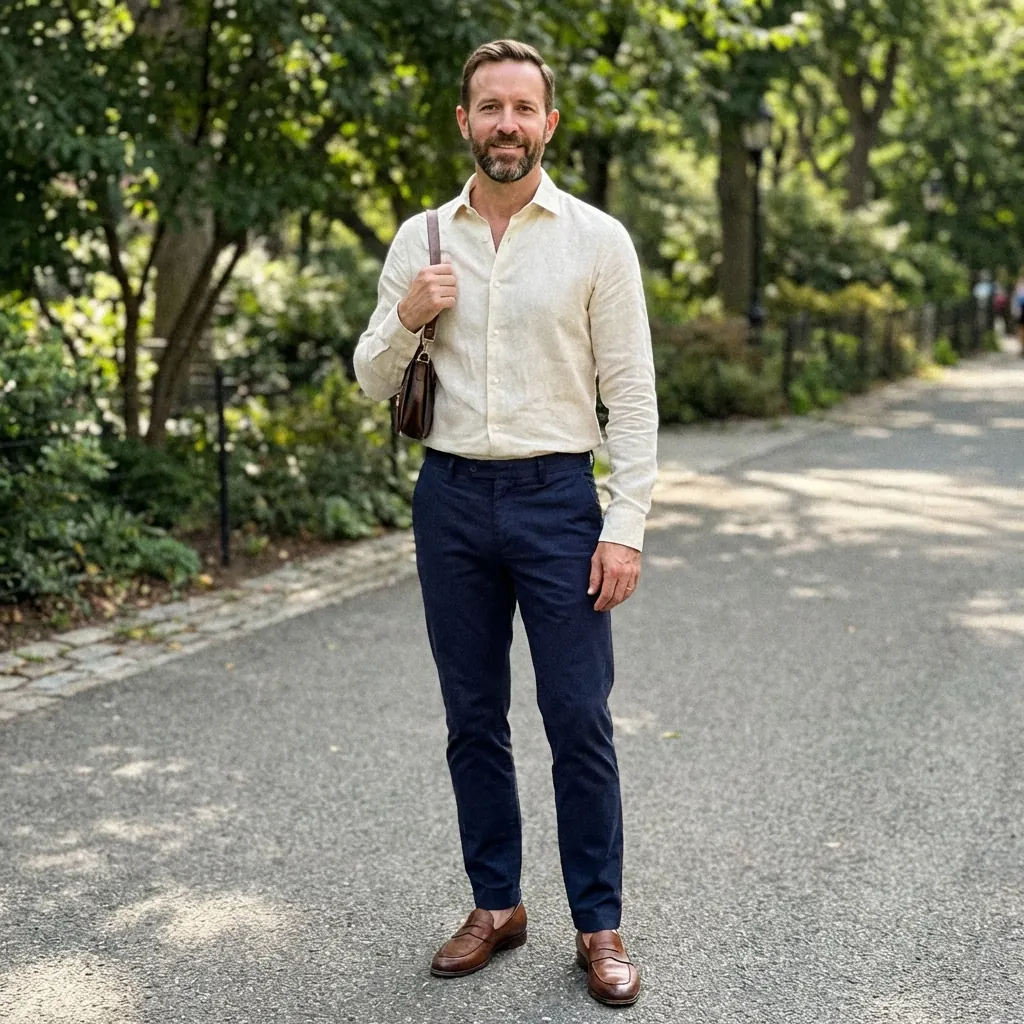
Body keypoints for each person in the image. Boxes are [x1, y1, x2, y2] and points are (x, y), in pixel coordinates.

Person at [354, 39, 657, 1007]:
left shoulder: (594, 239)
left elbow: (633, 397)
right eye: (489, 108)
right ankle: (496, 904)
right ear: (464, 122)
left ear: (548, 124)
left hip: (559, 502)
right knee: (472, 718)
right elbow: (369, 377)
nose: (506, 126)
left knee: (577, 718)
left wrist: (626, 523)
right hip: (448, 500)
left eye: (523, 109)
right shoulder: (421, 238)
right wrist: (407, 314)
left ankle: (597, 924)